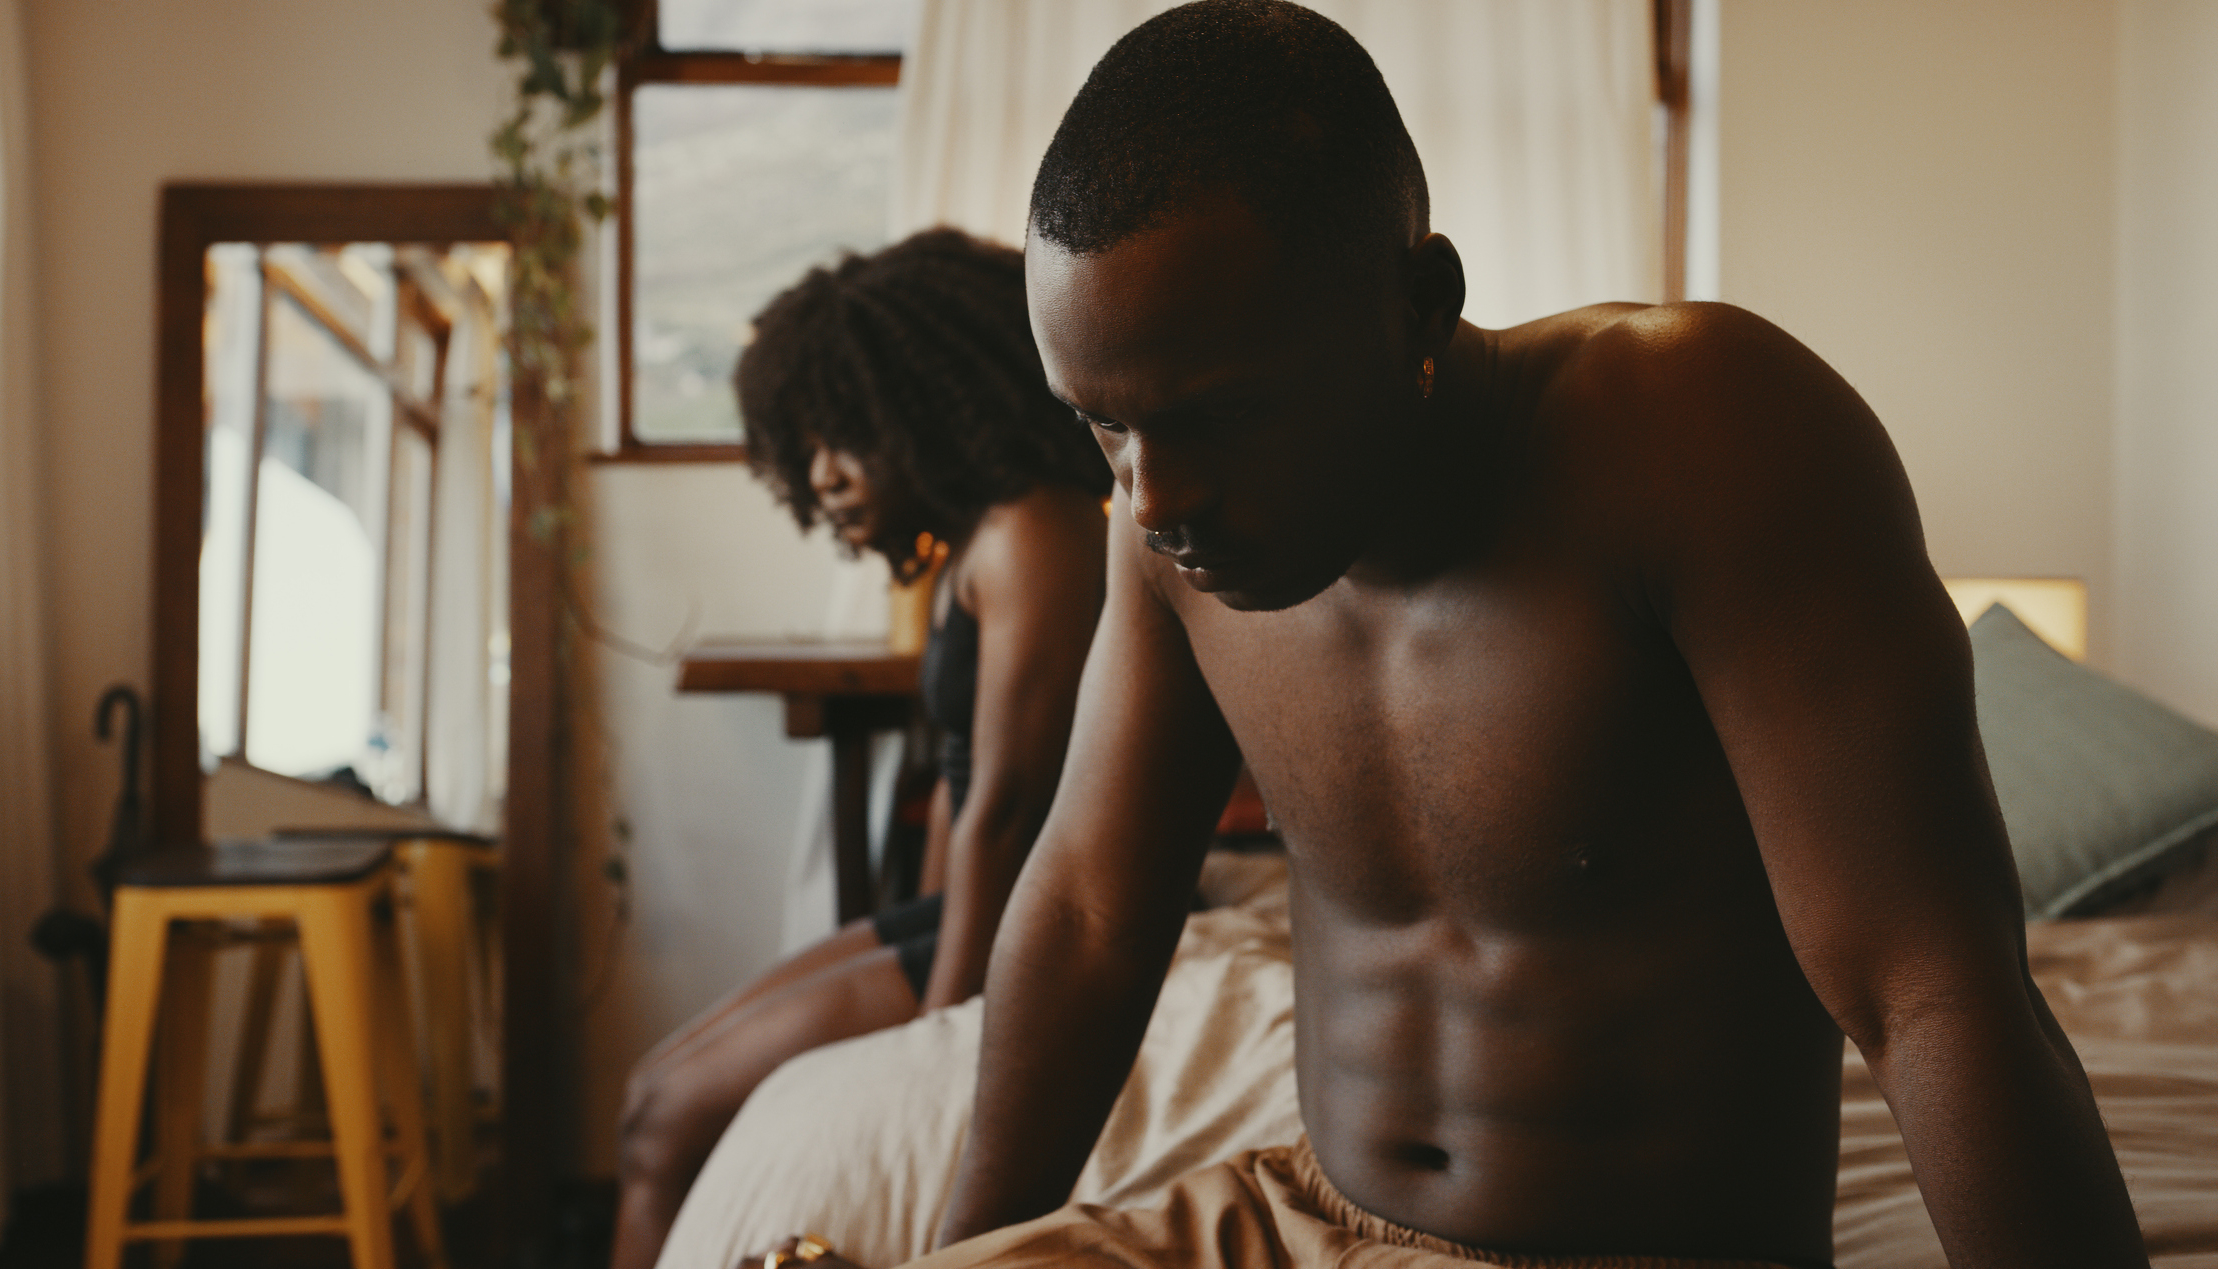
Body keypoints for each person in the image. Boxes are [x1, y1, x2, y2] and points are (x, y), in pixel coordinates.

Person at [757, 4, 2151, 1268]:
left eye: (1215, 415)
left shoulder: (1704, 437)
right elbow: (1088, 910)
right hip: (1293, 1214)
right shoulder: (1161, 530)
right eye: (1101, 423)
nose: (1150, 497)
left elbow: (1929, 990)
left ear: (1419, 305)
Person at [611, 228, 1112, 1269]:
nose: (827, 479)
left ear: (920, 406)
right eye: (807, 454)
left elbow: (1009, 805)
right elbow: (965, 796)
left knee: (662, 1123)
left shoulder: (1034, 529)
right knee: (652, 1099)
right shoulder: (976, 538)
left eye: (844, 438)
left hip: (1030, 911)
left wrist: (939, 1033)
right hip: (977, 906)